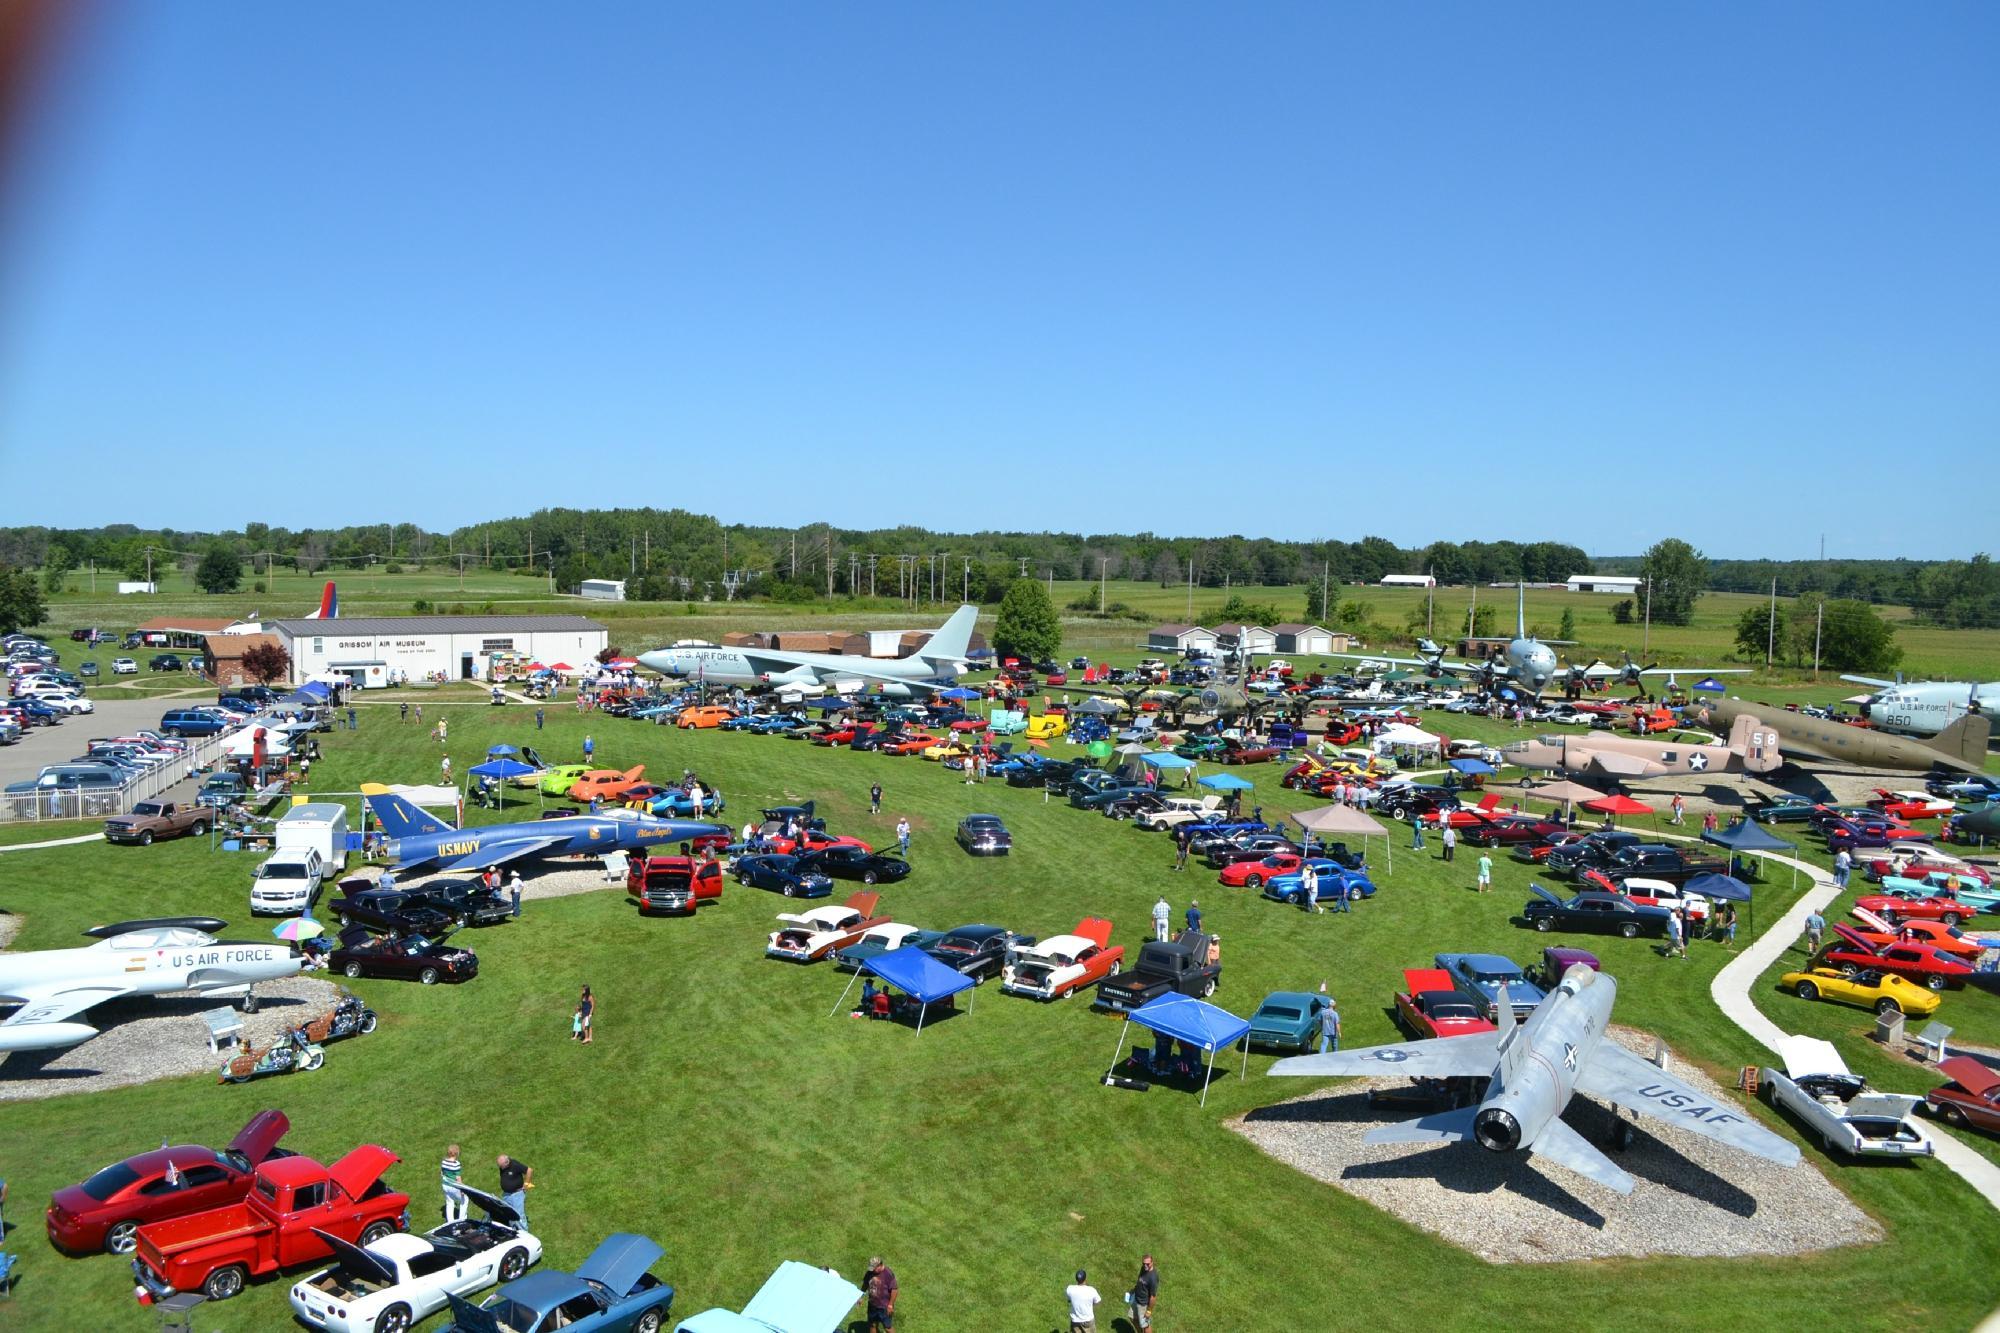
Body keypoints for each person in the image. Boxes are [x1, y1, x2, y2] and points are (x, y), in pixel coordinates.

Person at [496, 1154, 532, 1228]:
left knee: (519, 1215)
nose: (500, 1168)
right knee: (509, 1214)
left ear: (507, 1162)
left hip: (517, 1195)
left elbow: (529, 1170)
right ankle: (513, 1230)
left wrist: (526, 1184)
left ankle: (524, 1232)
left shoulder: (515, 1165)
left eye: (501, 1166)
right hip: (506, 1195)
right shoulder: (502, 1167)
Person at [865, 1256, 898, 1332]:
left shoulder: (888, 1274)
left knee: (887, 1327)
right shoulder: (870, 1272)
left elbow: (894, 1290)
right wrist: (860, 1296)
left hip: (884, 1307)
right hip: (872, 1304)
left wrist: (890, 1305)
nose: (872, 1270)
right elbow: (865, 1284)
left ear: (879, 1265)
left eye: (874, 1268)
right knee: (872, 1324)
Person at [1128, 1255, 1159, 1331]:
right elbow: (1140, 1281)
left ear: (1152, 1262)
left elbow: (1153, 1297)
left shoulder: (1153, 1278)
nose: (1145, 1266)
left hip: (1143, 1305)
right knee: (1132, 1317)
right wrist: (1134, 1290)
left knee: (1145, 1325)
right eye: (1143, 1263)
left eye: (1147, 1264)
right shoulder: (1143, 1269)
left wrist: (1149, 1311)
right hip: (1136, 1299)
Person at [1066, 1268, 1102, 1333]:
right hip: (1088, 1321)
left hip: (1075, 1321)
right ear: (1085, 1279)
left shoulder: (1070, 1289)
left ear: (1076, 1279)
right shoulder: (1091, 1290)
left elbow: (1069, 1300)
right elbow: (1098, 1301)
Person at [441, 1144, 467, 1224]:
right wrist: (462, 1189)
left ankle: (450, 1222)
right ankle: (462, 1220)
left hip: (445, 1185)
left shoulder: (443, 1162)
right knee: (465, 1200)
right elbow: (458, 1178)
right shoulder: (456, 1164)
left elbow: (442, 1173)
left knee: (449, 1203)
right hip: (453, 1186)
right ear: (457, 1153)